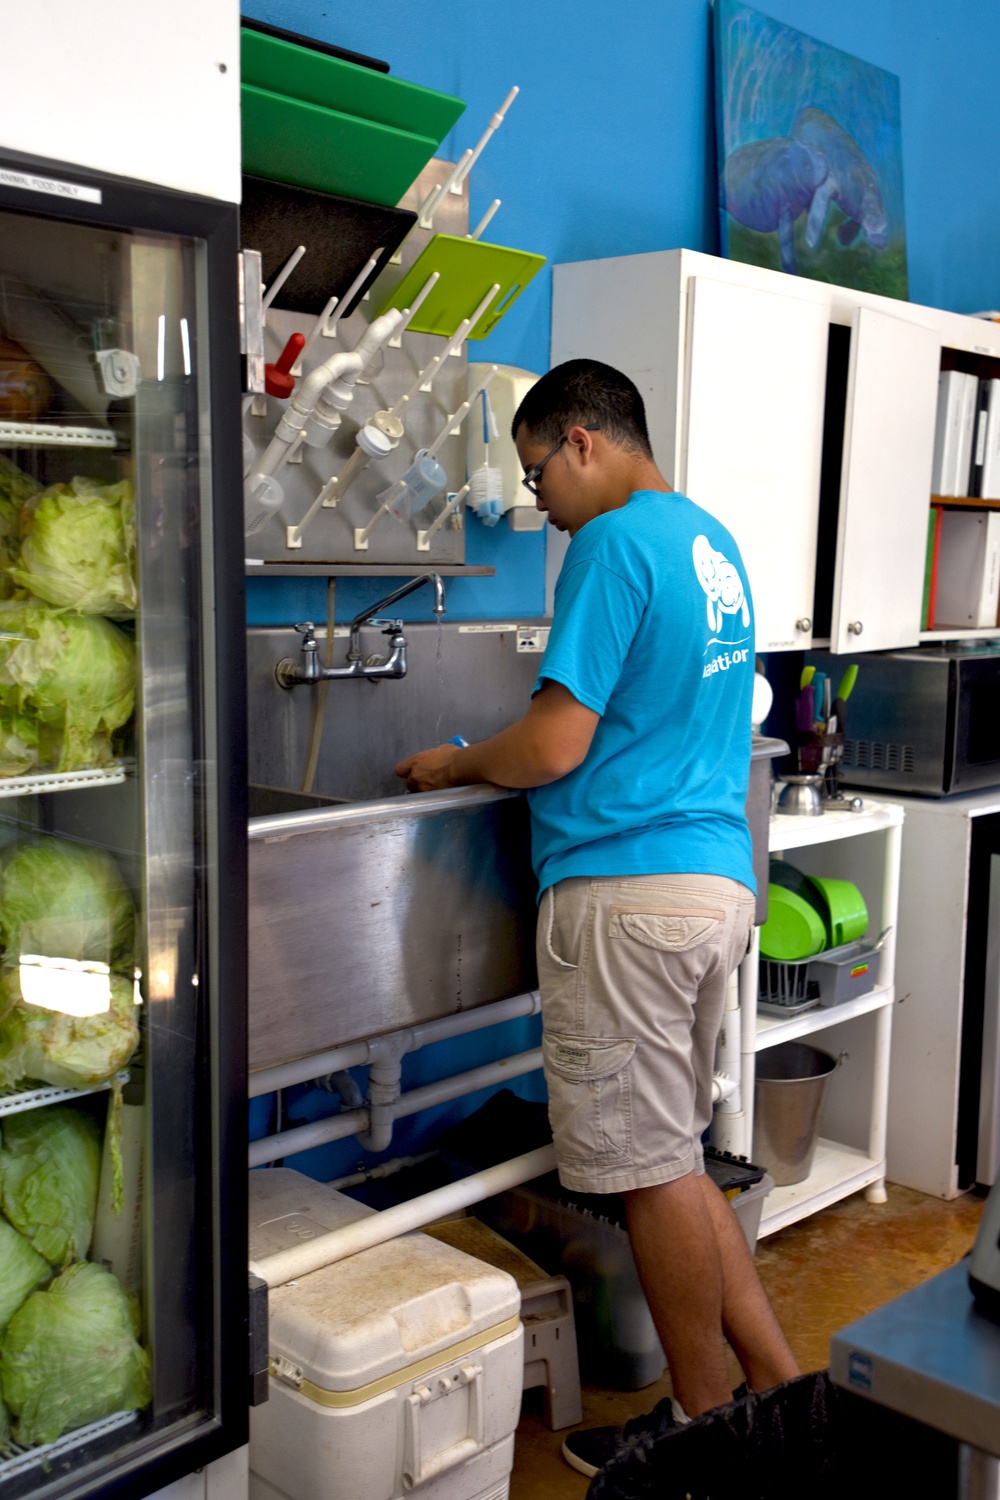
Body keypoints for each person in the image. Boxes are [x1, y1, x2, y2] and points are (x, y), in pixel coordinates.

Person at [395, 358, 798, 1478]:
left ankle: (704, 1441)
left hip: (625, 893)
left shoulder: (614, 544)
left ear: (581, 440)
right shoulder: (706, 539)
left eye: (536, 478)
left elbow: (553, 746)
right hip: (712, 882)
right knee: (677, 1155)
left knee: (644, 1170)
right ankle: (772, 1392)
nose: (538, 508)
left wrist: (456, 762)